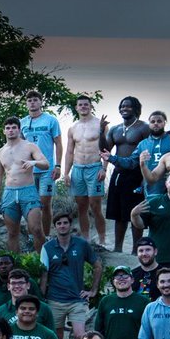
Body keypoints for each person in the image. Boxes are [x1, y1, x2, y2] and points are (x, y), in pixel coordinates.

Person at [41, 211, 102, 339]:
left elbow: (97, 266)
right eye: (59, 223)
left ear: (70, 225)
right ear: (55, 227)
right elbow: (44, 274)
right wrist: (41, 297)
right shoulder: (47, 248)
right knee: (56, 337)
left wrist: (93, 290)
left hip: (76, 299)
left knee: (81, 335)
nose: (62, 226)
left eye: (65, 223)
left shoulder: (81, 244)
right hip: (55, 300)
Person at [0, 116, 48, 253]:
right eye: (8, 128)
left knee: (36, 229)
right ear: (4, 131)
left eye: (14, 128)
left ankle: (42, 263)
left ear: (19, 129)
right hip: (9, 193)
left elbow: (45, 164)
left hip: (28, 191)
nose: (11, 130)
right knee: (12, 233)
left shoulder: (29, 146)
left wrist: (34, 163)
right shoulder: (0, 152)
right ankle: (15, 267)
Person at [101, 96, 150, 252]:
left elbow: (149, 149)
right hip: (119, 173)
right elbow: (104, 150)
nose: (124, 109)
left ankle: (136, 249)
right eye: (122, 106)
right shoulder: (115, 129)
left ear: (135, 108)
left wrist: (145, 178)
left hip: (137, 174)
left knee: (135, 213)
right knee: (118, 214)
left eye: (128, 106)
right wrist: (101, 132)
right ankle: (117, 248)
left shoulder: (144, 128)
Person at [64, 94, 109, 246]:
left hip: (94, 167)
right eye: (80, 105)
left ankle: (102, 240)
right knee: (81, 206)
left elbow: (106, 148)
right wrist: (66, 173)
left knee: (95, 206)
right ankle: (86, 239)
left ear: (90, 106)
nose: (83, 107)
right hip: (77, 169)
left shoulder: (99, 124)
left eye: (86, 104)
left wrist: (104, 168)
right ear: (76, 108)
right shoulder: (73, 128)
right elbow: (70, 152)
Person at [132, 171, 170, 286]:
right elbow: (140, 225)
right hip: (160, 259)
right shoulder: (154, 202)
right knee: (158, 292)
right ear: (166, 184)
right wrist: (134, 215)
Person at [21, 89, 63, 233]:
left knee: (45, 204)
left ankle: (46, 236)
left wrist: (58, 166)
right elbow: (17, 145)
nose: (32, 103)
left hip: (47, 168)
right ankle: (33, 235)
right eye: (29, 100)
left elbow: (58, 143)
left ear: (40, 102)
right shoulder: (22, 122)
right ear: (26, 104)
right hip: (28, 170)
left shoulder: (51, 120)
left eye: (35, 100)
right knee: (31, 205)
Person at [136, 112, 170, 197]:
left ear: (164, 122)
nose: (156, 124)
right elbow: (130, 162)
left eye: (159, 121)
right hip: (151, 191)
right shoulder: (142, 144)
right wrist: (111, 158)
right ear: (149, 124)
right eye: (153, 121)